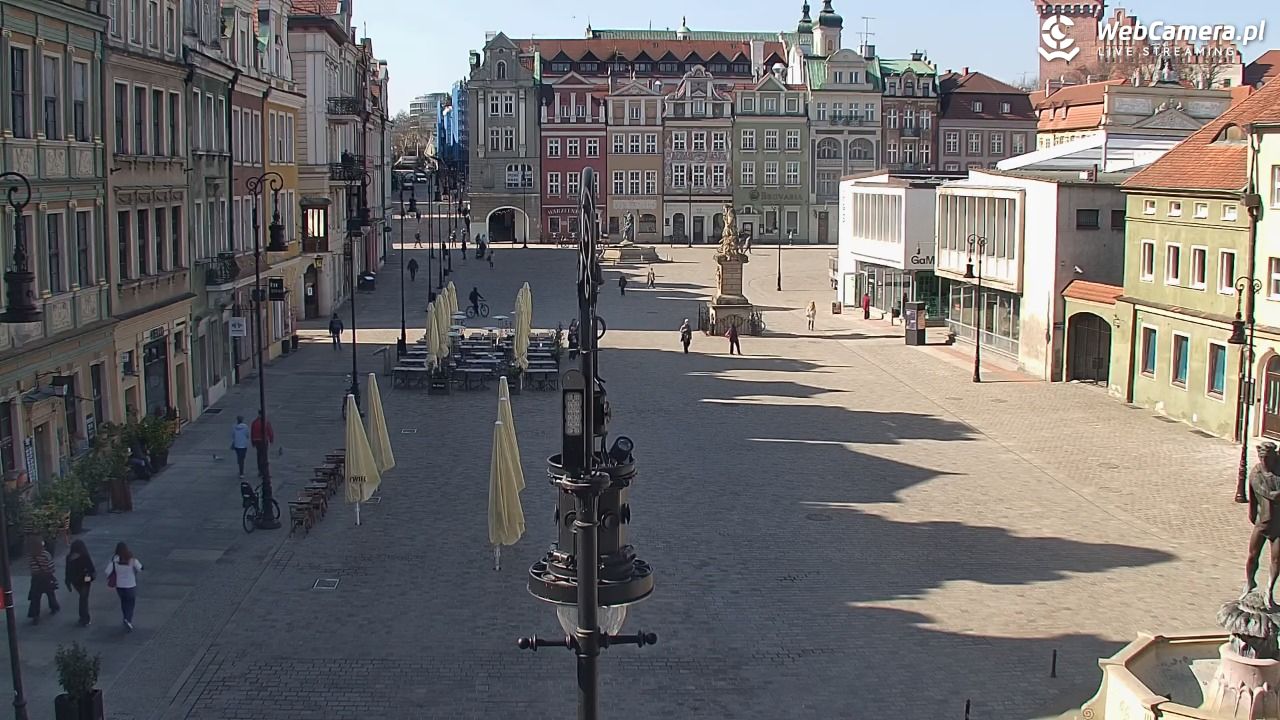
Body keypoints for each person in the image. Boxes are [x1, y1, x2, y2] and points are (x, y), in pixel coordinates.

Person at [106, 542, 142, 632]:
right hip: (130, 585)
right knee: (131, 603)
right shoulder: (131, 559)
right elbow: (140, 568)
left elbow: (107, 571)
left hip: (119, 586)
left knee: (124, 602)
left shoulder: (115, 560)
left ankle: (125, 617)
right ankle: (128, 619)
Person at [27, 540, 59, 624]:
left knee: (35, 597)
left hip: (36, 578)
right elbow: (51, 567)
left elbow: (31, 567)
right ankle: (53, 607)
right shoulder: (46, 554)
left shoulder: (31, 555)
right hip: (46, 577)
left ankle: (35, 615)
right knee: (50, 593)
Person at [65, 539, 95, 627]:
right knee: (83, 599)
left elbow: (67, 571)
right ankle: (84, 618)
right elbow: (91, 569)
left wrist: (68, 581)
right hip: (85, 581)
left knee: (83, 598)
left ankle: (84, 617)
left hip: (76, 581)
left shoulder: (69, 558)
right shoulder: (85, 557)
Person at [251, 411, 274, 480]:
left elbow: (252, 432)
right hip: (263, 441)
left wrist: (253, 442)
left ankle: (260, 471)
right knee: (264, 456)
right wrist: (271, 439)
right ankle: (265, 471)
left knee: (259, 455)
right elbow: (270, 431)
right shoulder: (266, 422)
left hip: (257, 441)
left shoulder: (254, 422)